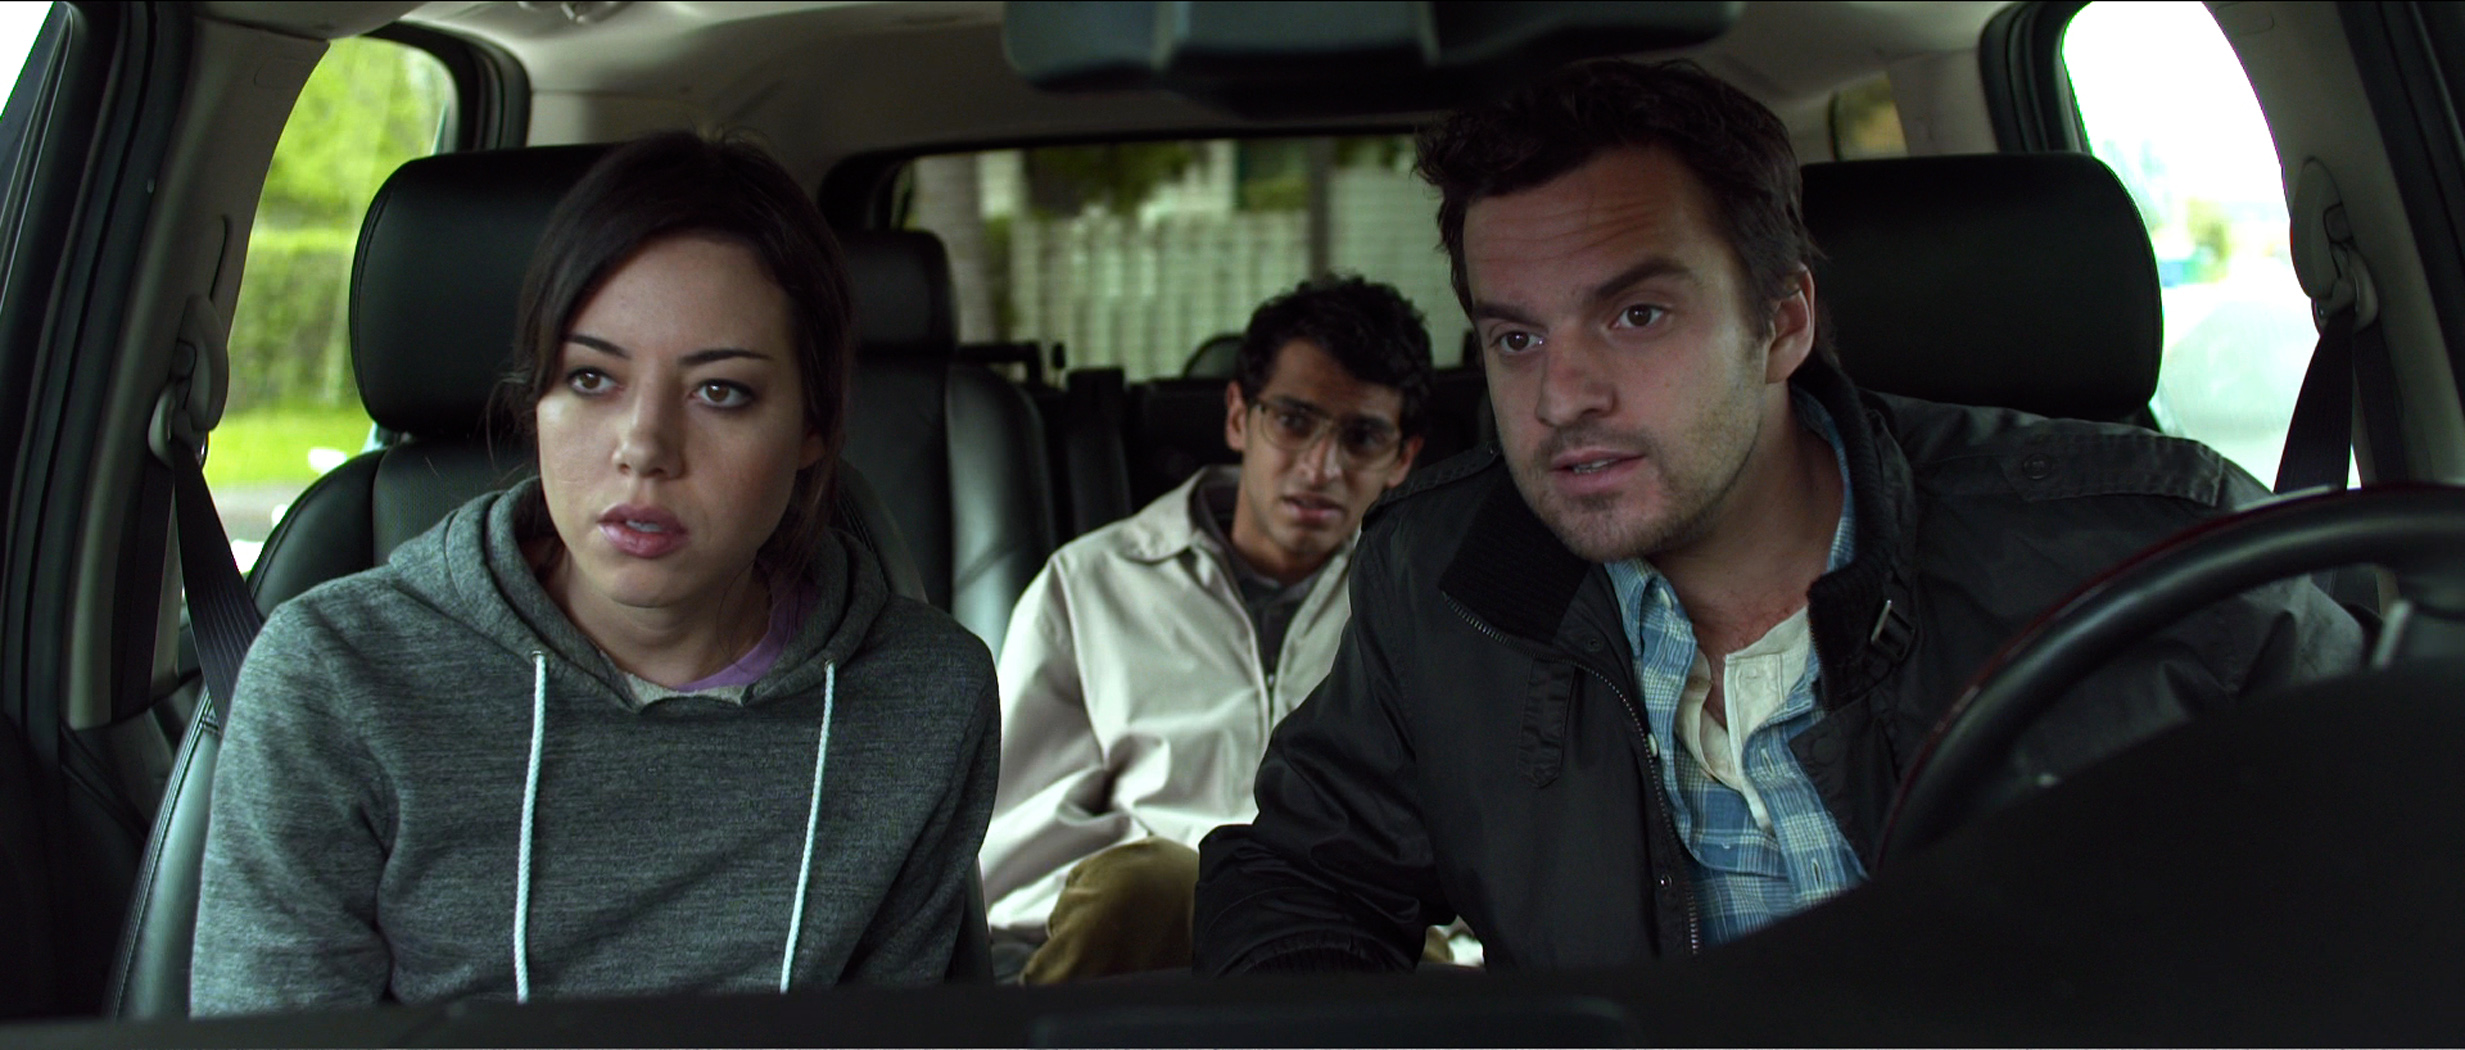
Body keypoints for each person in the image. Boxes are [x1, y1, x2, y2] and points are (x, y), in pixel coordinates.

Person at [1191, 60, 2363, 974]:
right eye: (1515, 336)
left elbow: (2389, 863)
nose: (1560, 397)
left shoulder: (2158, 556)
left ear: (1782, 322)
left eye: (1635, 316)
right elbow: (1301, 878)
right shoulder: (1445, 578)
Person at [191, 132, 999, 1014]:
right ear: (533, 398)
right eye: (590, 378)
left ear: (814, 426)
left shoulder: (924, 695)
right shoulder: (334, 679)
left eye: (720, 391)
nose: (643, 448)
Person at [982, 275, 1434, 982]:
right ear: (1237, 418)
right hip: (1150, 939)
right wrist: (1203, 888)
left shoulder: (1424, 608)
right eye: (1293, 421)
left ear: (1401, 459)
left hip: (1358, 938)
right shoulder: (1090, 584)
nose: (1322, 468)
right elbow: (1016, 854)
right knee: (1140, 888)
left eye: (1362, 437)